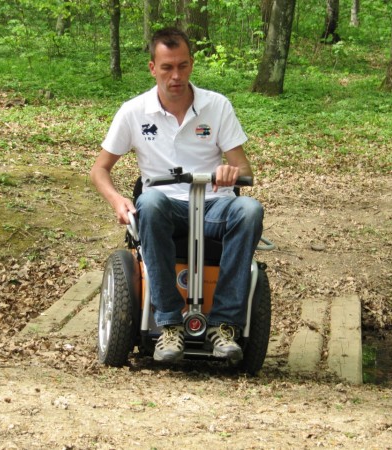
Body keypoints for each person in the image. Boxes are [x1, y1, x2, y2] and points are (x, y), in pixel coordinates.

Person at [90, 27, 264, 363]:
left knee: (250, 209)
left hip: (214, 205)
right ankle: (169, 324)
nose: (176, 76)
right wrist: (118, 200)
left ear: (192, 65)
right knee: (150, 202)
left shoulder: (217, 106)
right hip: (165, 204)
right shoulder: (134, 112)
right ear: (153, 68)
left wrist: (232, 172)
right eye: (167, 67)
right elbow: (100, 170)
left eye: (182, 66)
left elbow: (245, 171)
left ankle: (224, 325)